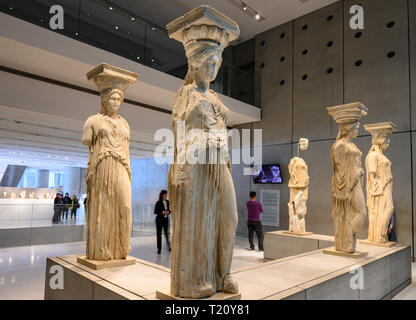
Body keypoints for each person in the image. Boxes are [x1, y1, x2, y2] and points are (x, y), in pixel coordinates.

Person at [154, 190, 171, 254]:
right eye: (165, 194)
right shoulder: (158, 202)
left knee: (167, 234)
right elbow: (155, 211)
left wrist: (168, 212)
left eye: (167, 194)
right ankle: (159, 249)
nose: (166, 196)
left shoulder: (167, 202)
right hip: (159, 221)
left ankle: (169, 247)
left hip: (166, 220)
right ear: (162, 195)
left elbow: (169, 210)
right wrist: (163, 212)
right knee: (159, 235)